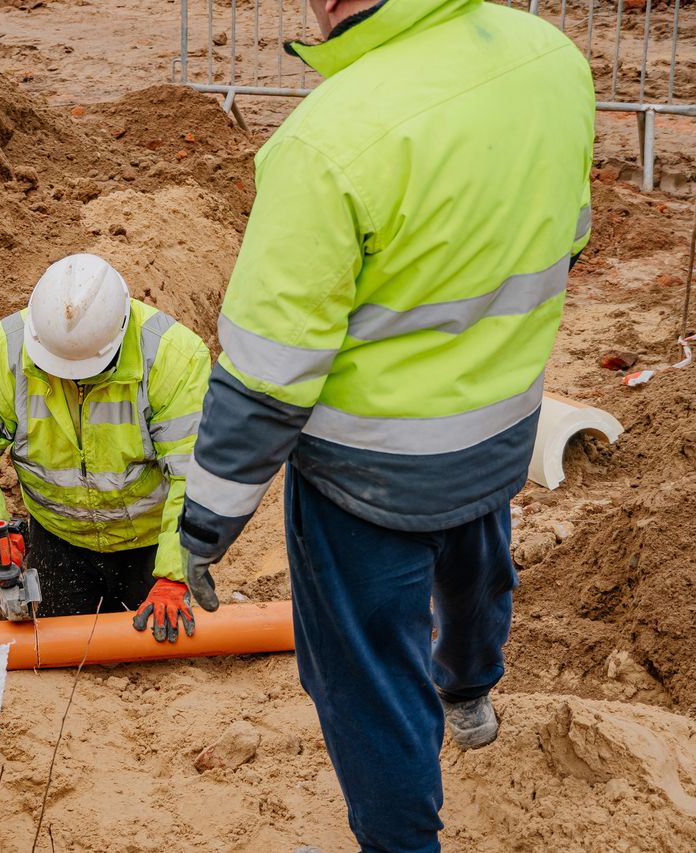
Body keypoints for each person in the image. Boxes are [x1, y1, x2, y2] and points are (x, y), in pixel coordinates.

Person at [177, 0, 595, 848]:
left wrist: (204, 525)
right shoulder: (550, 57)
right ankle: (472, 690)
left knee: (369, 682)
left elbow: (266, 376)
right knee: (477, 565)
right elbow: (569, 233)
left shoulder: (328, 140)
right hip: (500, 422)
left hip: (365, 475)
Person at [0, 254, 211, 641]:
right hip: (58, 539)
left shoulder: (172, 358)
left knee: (159, 651)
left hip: (151, 544)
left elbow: (195, 476)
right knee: (61, 653)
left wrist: (174, 575)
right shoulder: (1, 353)